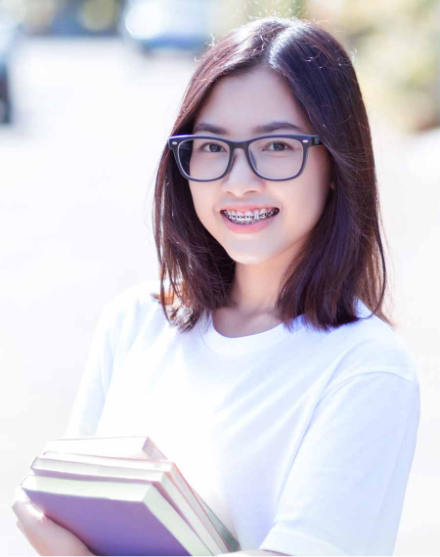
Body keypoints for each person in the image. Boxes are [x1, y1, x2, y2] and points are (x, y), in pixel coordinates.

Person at [12, 15, 420, 557]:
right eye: (212, 146)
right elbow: (67, 508)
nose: (238, 180)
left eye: (276, 145)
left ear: (336, 162)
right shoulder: (136, 321)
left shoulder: (365, 368)